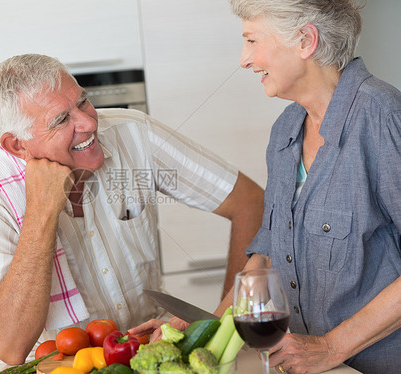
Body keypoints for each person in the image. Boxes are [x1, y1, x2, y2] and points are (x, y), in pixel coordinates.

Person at [132, 0, 401, 373]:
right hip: (302, 361)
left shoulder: (384, 118)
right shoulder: (286, 131)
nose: (244, 59)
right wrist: (209, 328)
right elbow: (268, 252)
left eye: (252, 40)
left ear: (306, 41)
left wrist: (331, 346)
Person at [0, 53, 264, 365]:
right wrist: (41, 211)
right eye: (61, 120)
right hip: (56, 367)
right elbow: (9, 347)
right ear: (18, 145)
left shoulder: (133, 134)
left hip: (147, 353)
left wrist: (220, 326)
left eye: (82, 102)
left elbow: (250, 202)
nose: (89, 122)